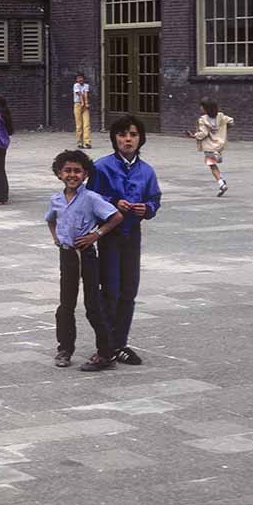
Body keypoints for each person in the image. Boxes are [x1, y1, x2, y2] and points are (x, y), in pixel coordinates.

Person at [88, 114, 161, 366]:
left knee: (129, 289)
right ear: (114, 139)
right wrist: (112, 203)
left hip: (132, 234)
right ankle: (106, 343)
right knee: (111, 289)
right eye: (122, 135)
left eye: (133, 134)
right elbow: (91, 197)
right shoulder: (101, 167)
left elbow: (154, 199)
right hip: (109, 235)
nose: (128, 139)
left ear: (141, 139)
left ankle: (120, 342)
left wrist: (147, 208)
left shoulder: (146, 171)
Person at [46, 150, 123, 371]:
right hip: (67, 255)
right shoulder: (56, 199)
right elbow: (50, 220)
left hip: (86, 255)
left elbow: (116, 216)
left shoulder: (91, 198)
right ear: (59, 174)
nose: (72, 175)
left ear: (85, 174)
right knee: (66, 305)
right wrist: (57, 239)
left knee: (93, 305)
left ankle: (106, 352)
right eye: (67, 170)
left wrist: (96, 235)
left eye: (77, 171)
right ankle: (64, 348)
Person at [186, 97, 233, 197]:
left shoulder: (203, 119)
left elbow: (204, 133)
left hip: (209, 146)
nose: (200, 108)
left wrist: (193, 136)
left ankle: (221, 183)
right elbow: (231, 121)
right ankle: (217, 154)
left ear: (205, 108)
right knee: (214, 161)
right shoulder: (221, 116)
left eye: (201, 106)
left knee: (212, 165)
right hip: (220, 143)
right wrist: (223, 128)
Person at [73, 73, 92, 149]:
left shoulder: (86, 85)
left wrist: (86, 103)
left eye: (81, 78)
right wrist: (83, 103)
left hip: (84, 106)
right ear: (76, 80)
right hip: (78, 104)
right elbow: (80, 94)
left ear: (83, 78)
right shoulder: (76, 85)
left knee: (86, 124)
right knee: (79, 125)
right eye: (78, 78)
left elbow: (85, 94)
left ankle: (87, 142)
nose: (80, 79)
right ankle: (79, 142)